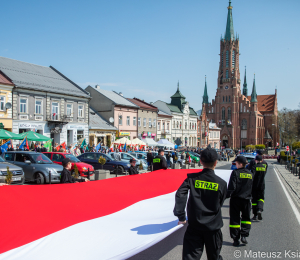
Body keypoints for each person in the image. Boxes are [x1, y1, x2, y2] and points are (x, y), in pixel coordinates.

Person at [173, 147, 227, 260]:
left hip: (195, 226)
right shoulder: (221, 184)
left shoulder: (191, 179)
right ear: (216, 162)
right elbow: (220, 202)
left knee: (190, 258)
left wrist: (181, 216)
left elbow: (180, 194)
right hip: (213, 228)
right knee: (215, 257)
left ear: (201, 162)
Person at [227, 156, 253, 246]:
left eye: (236, 163)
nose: (235, 164)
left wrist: (225, 196)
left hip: (236, 200)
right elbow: (252, 187)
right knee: (246, 218)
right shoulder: (250, 174)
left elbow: (231, 187)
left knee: (235, 219)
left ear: (240, 164)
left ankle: (235, 239)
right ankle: (244, 236)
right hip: (246, 200)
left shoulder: (235, 173)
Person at [251, 155, 267, 221]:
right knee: (261, 198)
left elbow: (252, 176)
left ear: (256, 160)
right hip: (262, 185)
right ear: (261, 160)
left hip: (254, 185)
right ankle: (259, 210)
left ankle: (255, 215)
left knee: (254, 200)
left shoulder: (254, 167)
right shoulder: (264, 167)